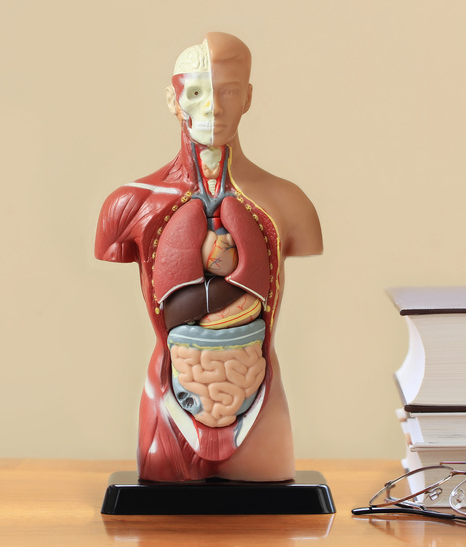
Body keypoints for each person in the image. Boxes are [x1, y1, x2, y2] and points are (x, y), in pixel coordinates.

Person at [95, 32, 322, 482]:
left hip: (261, 408)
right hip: (170, 398)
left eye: (229, 91)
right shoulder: (129, 205)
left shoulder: (290, 203)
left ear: (248, 98)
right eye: (196, 92)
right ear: (172, 99)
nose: (213, 108)